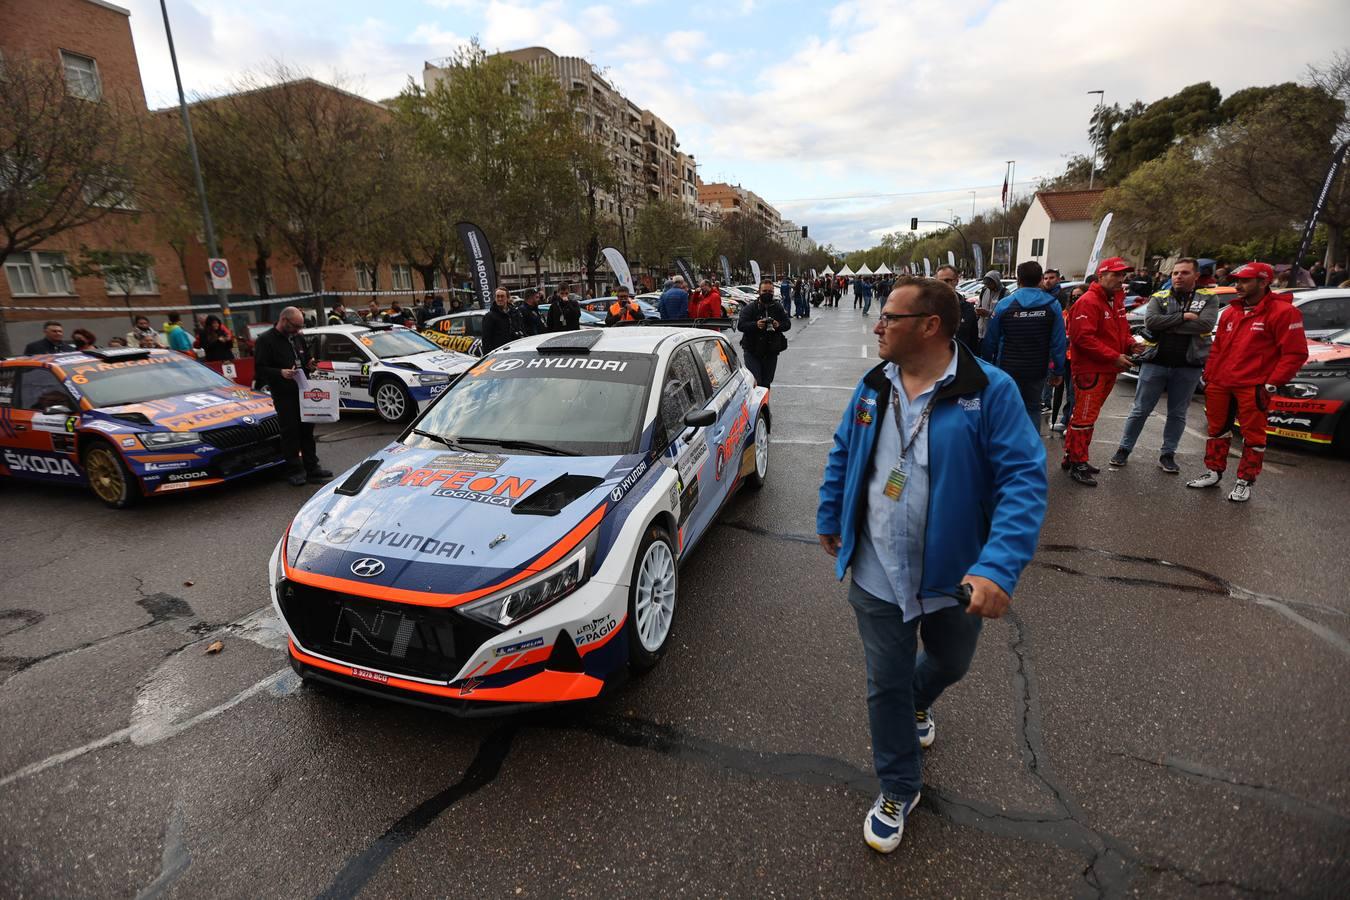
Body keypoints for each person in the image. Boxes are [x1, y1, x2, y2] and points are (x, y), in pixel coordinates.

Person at [816, 275, 1046, 855]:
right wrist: (829, 515)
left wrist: (996, 567)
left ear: (930, 326)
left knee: (949, 661)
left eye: (889, 316)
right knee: (884, 685)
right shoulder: (873, 386)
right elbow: (845, 450)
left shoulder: (989, 390)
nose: (877, 323)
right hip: (875, 572)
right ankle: (899, 785)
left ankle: (921, 699)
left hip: (953, 578)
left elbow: (1023, 479)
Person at [1186, 262, 1308, 503]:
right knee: (1216, 430)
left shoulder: (1284, 312)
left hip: (1253, 385)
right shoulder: (1232, 311)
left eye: (1244, 281)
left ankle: (1245, 480)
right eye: (1236, 280)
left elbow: (1295, 353)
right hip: (1221, 383)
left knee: (1253, 436)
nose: (1237, 286)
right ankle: (1213, 471)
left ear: (1263, 282)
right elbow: (1218, 347)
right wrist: (1209, 375)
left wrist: (1272, 383)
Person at [1109, 258, 1218, 474]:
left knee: (1177, 414)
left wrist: (1169, 323)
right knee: (1140, 410)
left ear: (1196, 276)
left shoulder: (1208, 298)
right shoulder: (1160, 296)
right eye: (1176, 273)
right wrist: (1184, 317)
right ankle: (1124, 449)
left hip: (1188, 365)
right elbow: (1152, 322)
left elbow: (1205, 324)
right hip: (1155, 362)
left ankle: (1168, 454)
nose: (1178, 276)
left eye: (1184, 273)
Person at [1061, 258, 1135, 486]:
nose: (1120, 279)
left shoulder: (1115, 301)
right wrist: (1114, 356)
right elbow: (1083, 338)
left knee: (1085, 418)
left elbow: (1121, 330)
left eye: (1123, 275)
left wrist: (1131, 344)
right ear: (1101, 275)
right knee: (1084, 418)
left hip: (1107, 368)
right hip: (1091, 370)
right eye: (1115, 274)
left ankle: (1072, 457)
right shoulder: (1089, 301)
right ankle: (1077, 462)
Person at [252, 307, 333, 487]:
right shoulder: (266, 340)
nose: (298, 330)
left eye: (299, 327)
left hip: (304, 391)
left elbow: (303, 360)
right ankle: (295, 470)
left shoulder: (297, 337)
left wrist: (309, 364)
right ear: (284, 320)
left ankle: (312, 468)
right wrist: (280, 372)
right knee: (290, 432)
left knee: (307, 431)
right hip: (284, 394)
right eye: (295, 326)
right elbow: (260, 369)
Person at [981, 260, 1066, 429]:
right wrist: (1058, 370)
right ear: (1041, 279)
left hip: (1008, 368)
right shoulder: (1052, 305)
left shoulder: (1005, 305)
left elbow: (990, 340)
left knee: (1008, 410)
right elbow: (1059, 342)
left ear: (1018, 280)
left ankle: (1008, 450)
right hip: (1037, 368)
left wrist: (987, 366)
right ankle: (1031, 450)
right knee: (1032, 408)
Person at [737, 279, 791, 388]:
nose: (767, 294)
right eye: (764, 291)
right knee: (756, 382)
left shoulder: (778, 307)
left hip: (771, 351)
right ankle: (755, 404)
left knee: (766, 383)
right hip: (752, 351)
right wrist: (756, 325)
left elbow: (787, 324)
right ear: (759, 292)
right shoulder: (750, 308)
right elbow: (741, 325)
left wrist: (778, 325)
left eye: (770, 292)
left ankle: (764, 404)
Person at [1049, 286, 1085, 434]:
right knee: (1061, 391)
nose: (1076, 298)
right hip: (1064, 357)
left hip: (1078, 358)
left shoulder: (1086, 313)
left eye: (1079, 295)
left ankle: (1071, 421)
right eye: (1074, 296)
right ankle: (1065, 420)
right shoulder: (1065, 313)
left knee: (1073, 392)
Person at [934, 266, 978, 352]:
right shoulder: (928, 307)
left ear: (956, 281)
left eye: (947, 280)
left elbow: (973, 340)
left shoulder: (967, 308)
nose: (943, 284)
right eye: (940, 281)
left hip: (962, 361)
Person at [482, 288, 525, 353]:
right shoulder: (489, 316)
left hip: (516, 350)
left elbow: (521, 329)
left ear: (507, 298)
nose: (500, 299)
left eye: (502, 296)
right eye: (498, 296)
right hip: (499, 354)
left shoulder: (515, 313)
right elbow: (486, 340)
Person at [974, 270, 1005, 339]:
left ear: (996, 282)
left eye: (990, 284)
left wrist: (989, 313)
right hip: (981, 332)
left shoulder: (1004, 293)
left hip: (995, 333)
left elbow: (1005, 314)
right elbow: (979, 305)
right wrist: (977, 311)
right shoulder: (984, 291)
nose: (988, 286)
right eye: (986, 284)